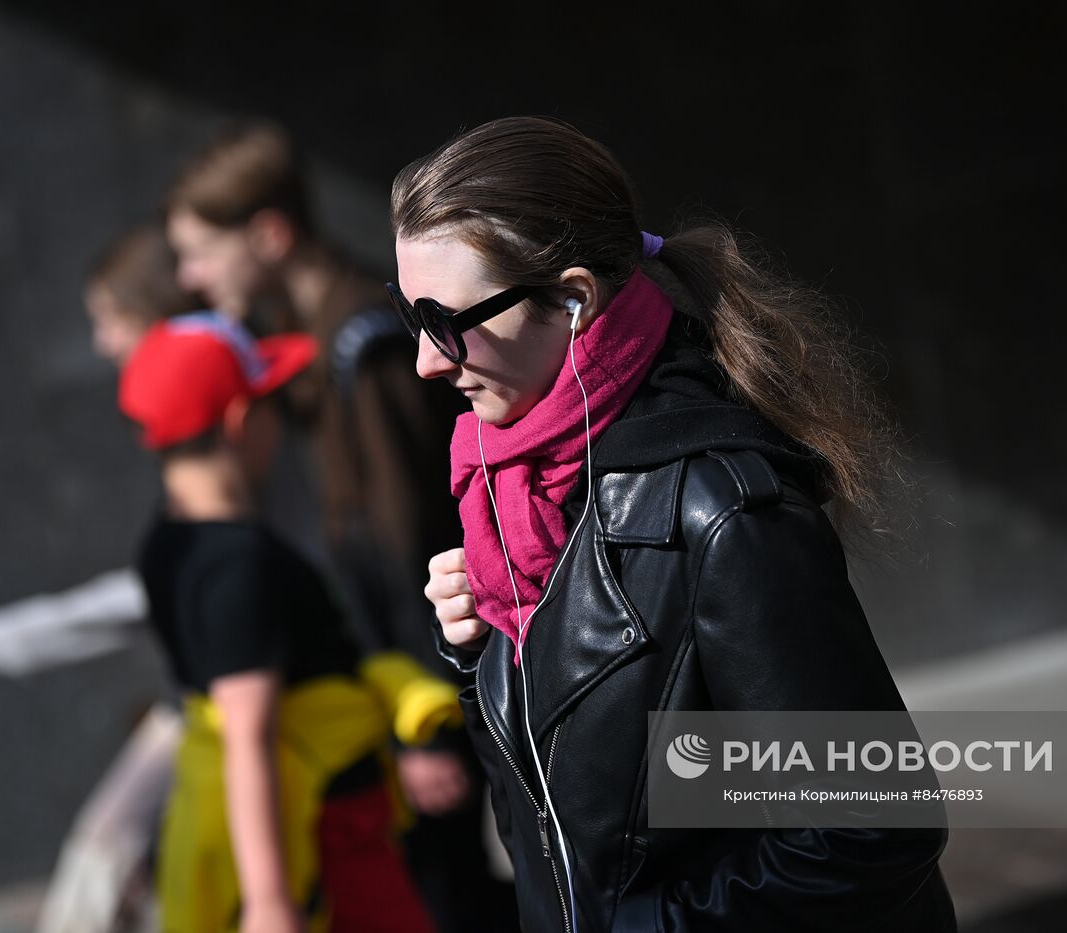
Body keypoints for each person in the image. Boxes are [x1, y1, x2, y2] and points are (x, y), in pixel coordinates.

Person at [396, 117, 957, 931]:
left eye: (449, 323)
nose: (425, 359)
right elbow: (562, 817)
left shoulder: (724, 508)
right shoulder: (512, 488)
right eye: (409, 314)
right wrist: (479, 655)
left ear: (575, 299)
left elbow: (874, 825)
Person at [165, 123, 515, 932]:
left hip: (424, 680)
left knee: (449, 895)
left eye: (202, 250)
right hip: (397, 679)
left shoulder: (367, 340)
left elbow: (408, 544)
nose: (191, 274)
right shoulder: (306, 332)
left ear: (270, 234)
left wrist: (422, 723)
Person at [118, 314, 454, 932]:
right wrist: (271, 902)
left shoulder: (163, 543)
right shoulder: (239, 564)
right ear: (243, 421)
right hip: (323, 841)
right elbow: (248, 733)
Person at [0, 223, 201, 933]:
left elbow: (205, 571)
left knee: (105, 860)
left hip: (227, 703)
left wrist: (16, 636)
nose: (101, 342)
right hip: (204, 699)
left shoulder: (216, 420)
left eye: (113, 318)